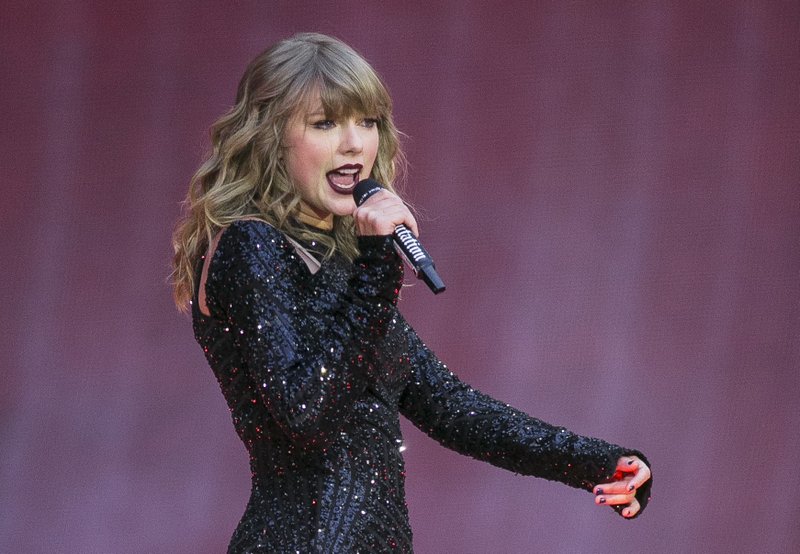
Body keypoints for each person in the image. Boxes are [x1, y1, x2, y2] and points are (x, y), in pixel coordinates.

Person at [171, 32, 652, 553]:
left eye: (367, 121)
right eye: (325, 123)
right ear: (270, 137)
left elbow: (450, 408)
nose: (354, 143)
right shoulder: (251, 245)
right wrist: (378, 267)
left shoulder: (341, 269)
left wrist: (595, 463)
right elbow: (305, 413)